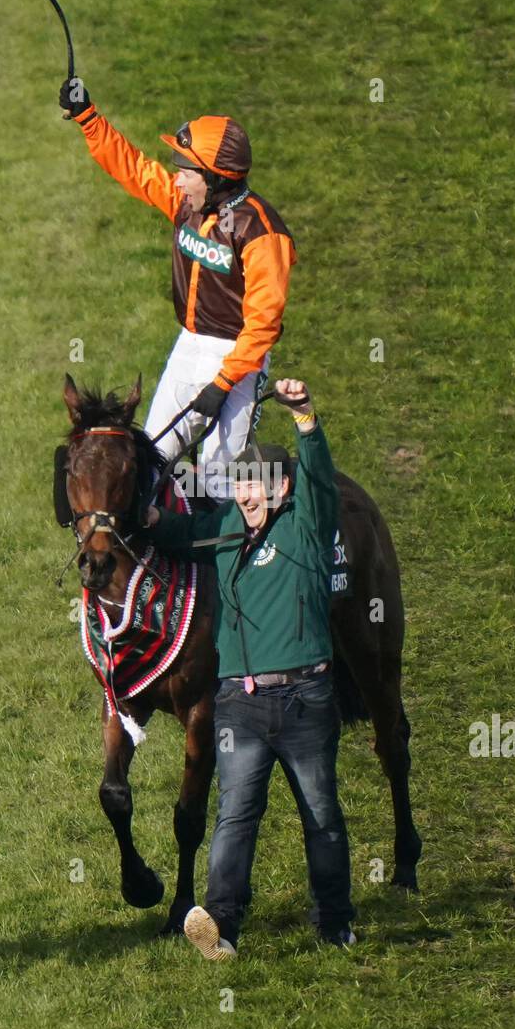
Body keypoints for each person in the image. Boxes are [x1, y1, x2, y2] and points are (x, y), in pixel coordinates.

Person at [144, 377, 356, 958]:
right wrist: (146, 522)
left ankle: (334, 921)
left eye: (258, 485)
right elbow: (185, 534)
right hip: (239, 702)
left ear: (282, 487)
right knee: (235, 815)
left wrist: (306, 419)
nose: (248, 495)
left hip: (306, 699)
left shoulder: (306, 526)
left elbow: (318, 481)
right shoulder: (229, 527)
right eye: (240, 485)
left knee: (321, 815)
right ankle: (222, 927)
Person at [59, 78, 296, 497]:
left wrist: (223, 384)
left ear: (216, 178)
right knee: (148, 468)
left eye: (186, 171)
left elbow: (262, 325)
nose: (178, 180)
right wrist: (87, 118)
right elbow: (133, 168)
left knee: (222, 486)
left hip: (238, 361)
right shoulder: (187, 201)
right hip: (189, 348)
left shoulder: (262, 233)